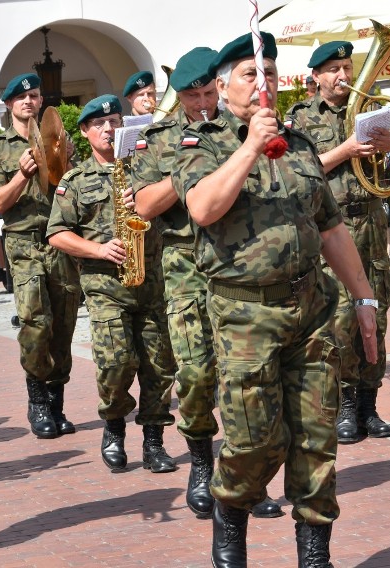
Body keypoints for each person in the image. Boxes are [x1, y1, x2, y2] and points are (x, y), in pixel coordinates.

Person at [173, 32, 378, 566]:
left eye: (269, 74)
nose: (263, 84)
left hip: (311, 310)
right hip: (245, 315)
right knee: (254, 441)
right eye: (249, 74)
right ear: (222, 86)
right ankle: (229, 530)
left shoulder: (302, 147)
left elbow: (330, 227)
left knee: (316, 438)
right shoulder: (202, 144)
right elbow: (202, 207)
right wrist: (247, 146)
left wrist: (363, 298)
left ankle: (315, 554)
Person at [131, 47, 281, 520]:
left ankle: (245, 480)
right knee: (195, 375)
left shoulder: (244, 126)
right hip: (185, 265)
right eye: (191, 96)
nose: (201, 103)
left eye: (207, 93)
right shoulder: (160, 138)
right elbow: (143, 205)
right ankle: (200, 459)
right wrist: (192, 175)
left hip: (238, 259)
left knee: (245, 376)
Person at [288, 41, 390, 444]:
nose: (343, 76)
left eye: (347, 67)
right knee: (341, 322)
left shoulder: (369, 110)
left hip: (371, 224)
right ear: (316, 77)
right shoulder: (300, 119)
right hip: (332, 232)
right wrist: (346, 150)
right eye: (333, 69)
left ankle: (369, 405)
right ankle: (345, 405)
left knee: (375, 317)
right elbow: (299, 170)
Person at [47, 94, 177, 475]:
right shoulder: (75, 180)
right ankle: (115, 428)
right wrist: (99, 249)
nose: (109, 128)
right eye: (99, 124)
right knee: (116, 363)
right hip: (106, 285)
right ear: (85, 133)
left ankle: (154, 443)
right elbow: (57, 234)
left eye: (115, 121)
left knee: (158, 366)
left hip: (152, 280)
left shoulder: (147, 171)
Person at [0, 73, 81, 439]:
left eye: (34, 96)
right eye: (21, 97)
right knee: (35, 322)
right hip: (23, 242)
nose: (29, 102)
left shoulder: (59, 138)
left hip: (60, 239)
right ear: (9, 105)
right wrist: (22, 175)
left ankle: (57, 402)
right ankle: (37, 400)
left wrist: (66, 163)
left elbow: (74, 189)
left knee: (64, 323)